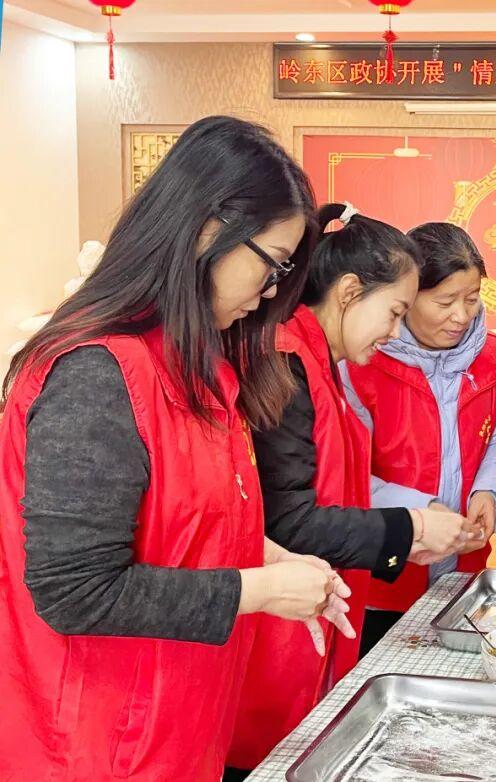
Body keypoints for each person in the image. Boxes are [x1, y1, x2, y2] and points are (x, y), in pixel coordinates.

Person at [0, 116, 350, 781]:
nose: (270, 292)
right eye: (271, 265)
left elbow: (191, 521)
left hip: (177, 731)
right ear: (208, 230)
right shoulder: (98, 374)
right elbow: (76, 590)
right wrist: (260, 589)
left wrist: (276, 558)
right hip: (95, 749)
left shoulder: (199, 367)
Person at [226, 206, 472, 776]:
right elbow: (289, 522)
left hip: (314, 618)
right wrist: (408, 528)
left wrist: (409, 535)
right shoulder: (284, 363)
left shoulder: (319, 363)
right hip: (274, 635)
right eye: (394, 313)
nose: (395, 332)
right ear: (348, 292)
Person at [345, 221, 496, 653]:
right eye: (444, 301)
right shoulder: (361, 362)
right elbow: (346, 475)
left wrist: (490, 491)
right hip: (380, 579)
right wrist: (423, 514)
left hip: (464, 571)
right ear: (407, 297)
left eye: (472, 298)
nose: (461, 316)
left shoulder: (493, 356)